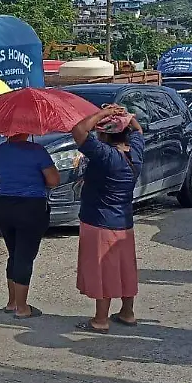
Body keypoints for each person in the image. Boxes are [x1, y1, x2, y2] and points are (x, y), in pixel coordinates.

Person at [71, 105, 144, 333]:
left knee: (103, 271)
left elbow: (78, 131)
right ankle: (127, 312)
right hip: (123, 221)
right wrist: (126, 116)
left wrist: (103, 114)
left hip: (99, 220)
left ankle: (100, 319)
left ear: (104, 134)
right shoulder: (135, 152)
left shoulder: (105, 155)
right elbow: (138, 130)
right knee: (124, 268)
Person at [0, 132, 60, 318]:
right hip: (31, 206)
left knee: (13, 253)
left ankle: (12, 302)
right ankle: (22, 308)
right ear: (26, 130)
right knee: (25, 256)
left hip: (4, 205)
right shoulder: (37, 151)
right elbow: (53, 180)